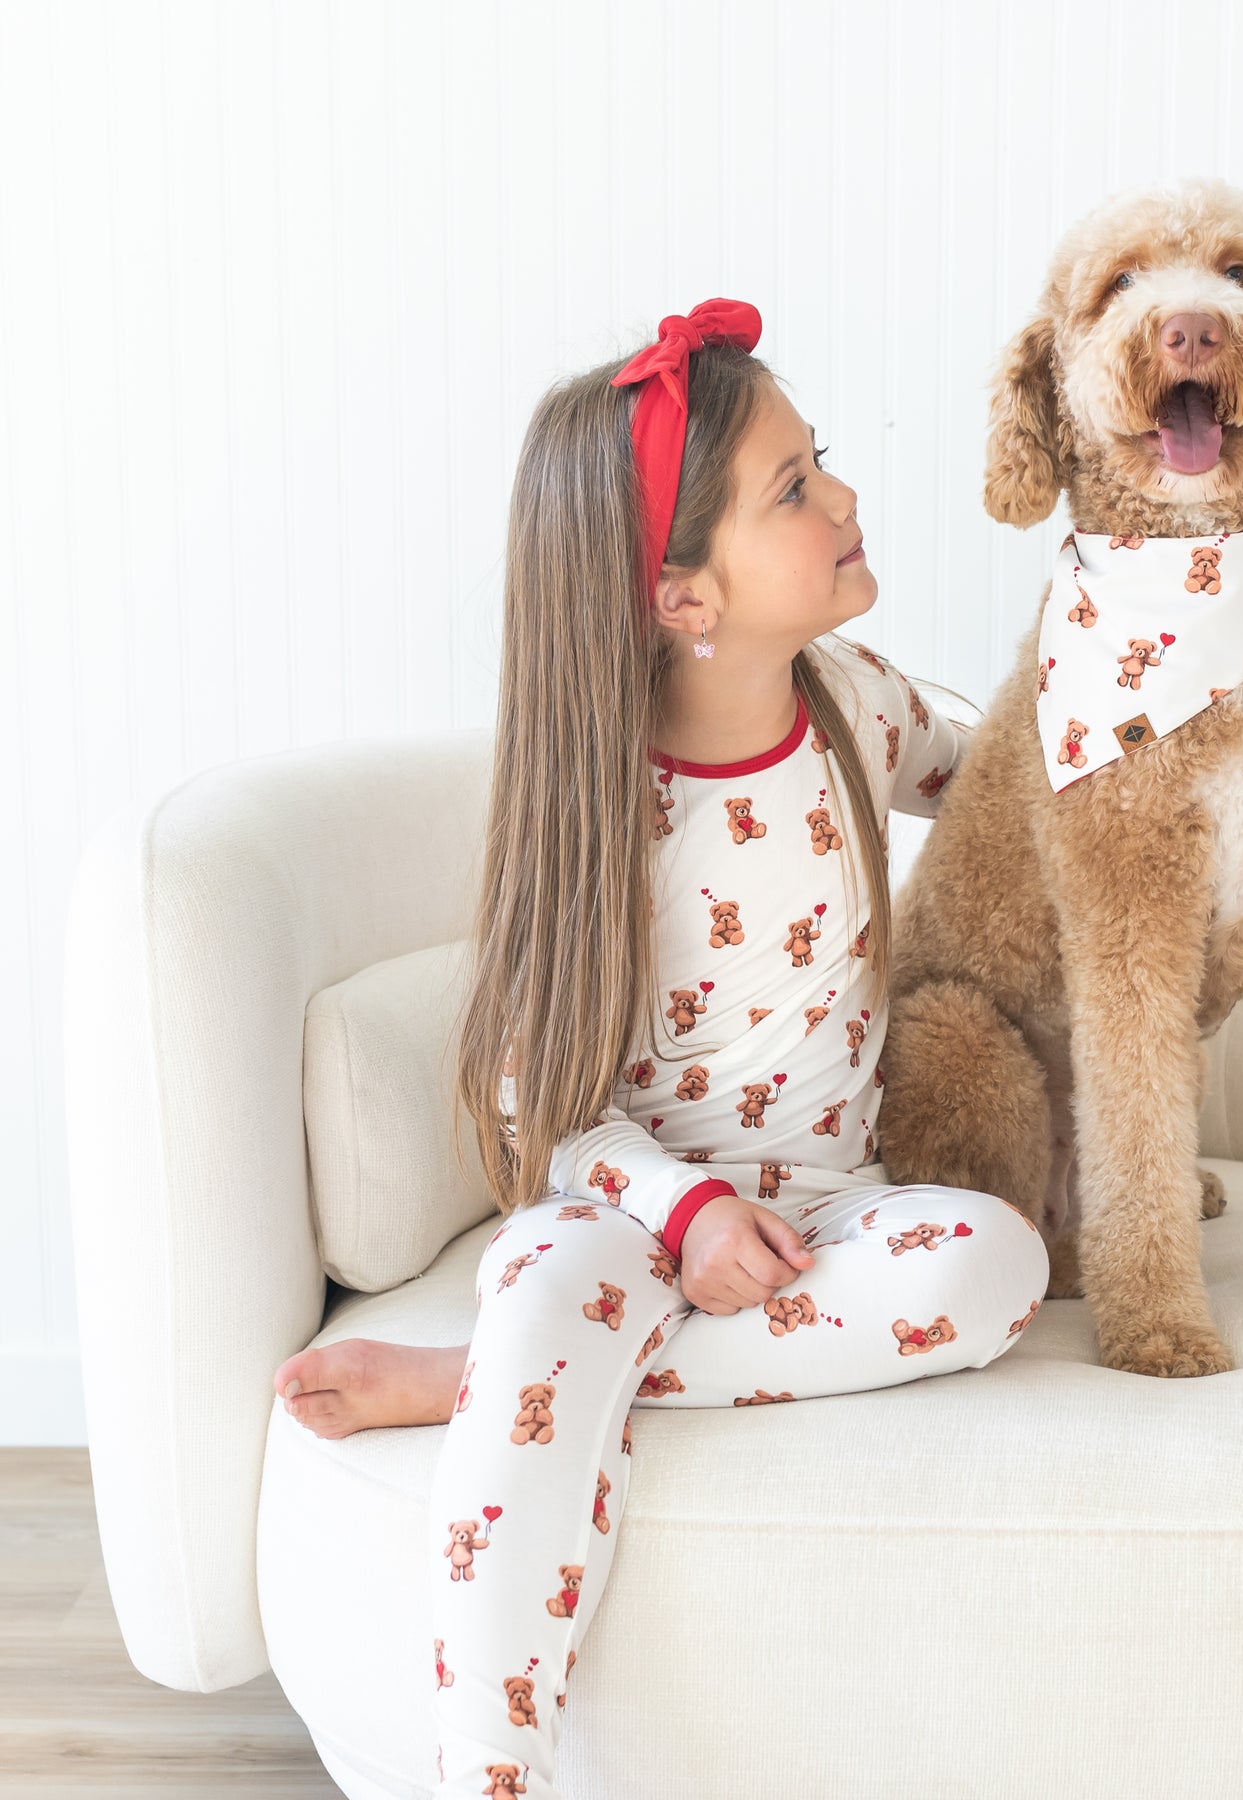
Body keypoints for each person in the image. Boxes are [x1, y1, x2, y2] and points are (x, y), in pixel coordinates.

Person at [269, 298, 1050, 1799]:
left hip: (830, 1204)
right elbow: (528, 1093)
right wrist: (678, 1214)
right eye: (795, 488)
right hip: (628, 1210)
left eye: (818, 463)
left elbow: (1013, 775)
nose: (845, 499)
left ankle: (479, 1376)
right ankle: (490, 1769)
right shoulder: (603, 803)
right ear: (685, 596)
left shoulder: (859, 711)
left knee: (992, 1261)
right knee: (555, 1287)